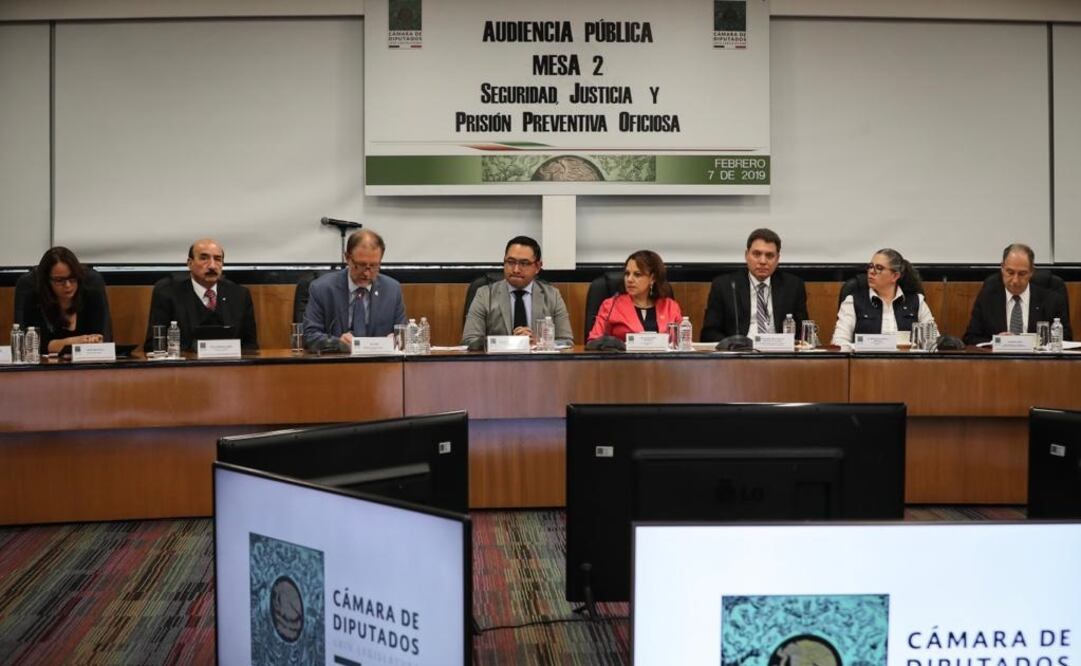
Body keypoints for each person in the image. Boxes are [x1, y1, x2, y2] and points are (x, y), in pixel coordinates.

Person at [143, 238, 258, 352]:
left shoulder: (239, 295)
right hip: (184, 368)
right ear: (190, 263)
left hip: (230, 367)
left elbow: (251, 346)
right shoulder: (167, 293)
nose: (212, 266)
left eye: (218, 259)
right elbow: (154, 345)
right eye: (204, 258)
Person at [461, 235, 573, 348]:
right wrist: (509, 343)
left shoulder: (552, 296)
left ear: (538, 267)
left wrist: (539, 343)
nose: (516, 269)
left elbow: (566, 343)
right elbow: (470, 341)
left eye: (524, 263)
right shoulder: (484, 295)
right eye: (510, 262)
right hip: (496, 364)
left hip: (539, 364)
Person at [304, 229, 406, 350]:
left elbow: (403, 333)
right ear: (347, 258)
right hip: (337, 364)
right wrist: (337, 343)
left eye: (374, 266)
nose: (367, 273)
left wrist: (397, 338)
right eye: (361, 265)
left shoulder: (392, 290)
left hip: (380, 365)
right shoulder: (322, 289)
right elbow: (309, 336)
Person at [701, 228, 808, 342]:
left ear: (777, 259)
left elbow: (803, 332)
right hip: (740, 354)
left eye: (769, 255)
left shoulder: (793, 286)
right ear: (747, 255)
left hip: (779, 353)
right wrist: (731, 345)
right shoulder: (725, 285)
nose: (762, 261)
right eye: (757, 254)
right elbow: (709, 332)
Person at [962, 243, 1072, 345]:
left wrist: (1035, 342)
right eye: (1010, 272)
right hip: (999, 363)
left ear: (1031, 272)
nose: (1015, 280)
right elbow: (970, 338)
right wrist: (996, 341)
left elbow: (1066, 339)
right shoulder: (988, 297)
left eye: (1022, 274)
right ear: (1002, 268)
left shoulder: (1052, 300)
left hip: (1038, 363)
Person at [831, 248, 936, 346]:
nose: (871, 272)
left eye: (879, 268)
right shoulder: (852, 301)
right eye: (871, 266)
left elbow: (933, 342)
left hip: (908, 363)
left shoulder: (917, 301)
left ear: (895, 276)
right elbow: (839, 342)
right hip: (865, 363)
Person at [21, 247, 111, 354]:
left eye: (72, 278)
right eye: (60, 280)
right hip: (47, 368)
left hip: (86, 365)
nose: (68, 285)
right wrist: (75, 341)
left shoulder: (92, 296)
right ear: (47, 281)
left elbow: (98, 340)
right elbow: (35, 346)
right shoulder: (34, 300)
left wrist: (62, 344)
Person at [587, 250, 683, 342]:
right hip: (622, 359)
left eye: (637, 274)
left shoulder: (670, 307)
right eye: (627, 274)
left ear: (652, 278)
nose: (629, 279)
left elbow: (683, 343)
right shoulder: (611, 305)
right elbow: (593, 341)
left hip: (664, 359)